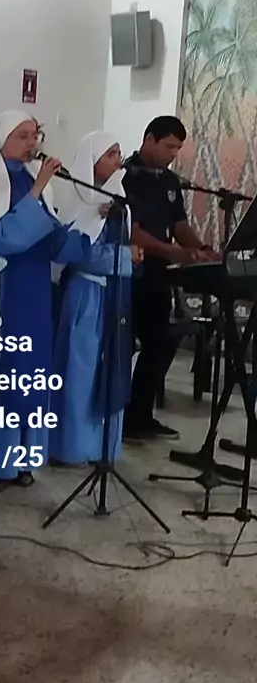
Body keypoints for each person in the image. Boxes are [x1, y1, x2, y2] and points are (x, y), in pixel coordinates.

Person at [0, 111, 119, 492]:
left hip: (33, 289)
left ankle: (21, 458)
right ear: (1, 139)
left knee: (28, 374)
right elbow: (2, 238)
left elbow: (50, 238)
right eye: (22, 136)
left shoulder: (37, 181)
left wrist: (90, 228)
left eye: (34, 135)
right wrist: (37, 190)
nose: (31, 143)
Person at [122, 115, 220, 443]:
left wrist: (201, 250)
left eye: (178, 148)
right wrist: (174, 252)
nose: (173, 154)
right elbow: (131, 230)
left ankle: (140, 415)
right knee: (124, 346)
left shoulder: (169, 181)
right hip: (131, 270)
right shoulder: (126, 177)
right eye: (168, 146)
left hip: (159, 273)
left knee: (160, 343)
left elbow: (180, 226)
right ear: (149, 139)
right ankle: (116, 416)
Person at [49, 132, 142, 467]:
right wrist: (127, 256)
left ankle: (104, 448)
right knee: (81, 372)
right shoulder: (79, 201)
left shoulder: (119, 201)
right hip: (86, 296)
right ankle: (72, 447)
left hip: (114, 296)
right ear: (91, 160)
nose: (118, 160)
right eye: (110, 154)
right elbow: (78, 254)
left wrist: (128, 255)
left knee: (111, 368)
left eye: (119, 153)